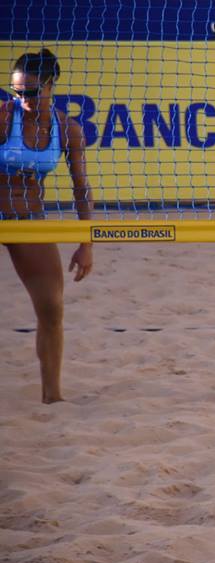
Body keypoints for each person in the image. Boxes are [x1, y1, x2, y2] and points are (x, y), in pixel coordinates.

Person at [2, 48, 93, 403]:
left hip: (28, 221)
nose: (22, 99)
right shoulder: (3, 117)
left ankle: (52, 399)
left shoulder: (67, 129)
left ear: (50, 85)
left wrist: (86, 243)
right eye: (16, 91)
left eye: (30, 91)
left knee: (52, 309)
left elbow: (81, 189)